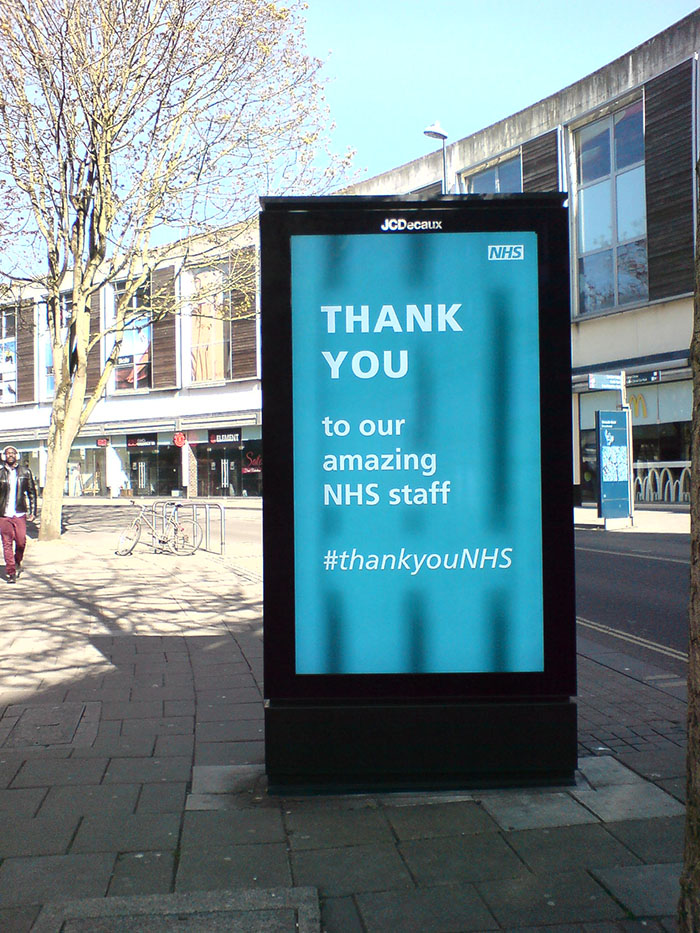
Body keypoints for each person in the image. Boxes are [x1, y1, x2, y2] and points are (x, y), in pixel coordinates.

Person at [0, 445, 37, 584]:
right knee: (7, 542)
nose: (10, 455)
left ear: (17, 456)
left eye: (13, 453)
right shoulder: (0, 473)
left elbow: (32, 493)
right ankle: (10, 572)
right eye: (8, 453)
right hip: (4, 514)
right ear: (4, 456)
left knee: (21, 541)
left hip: (19, 512)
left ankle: (17, 561)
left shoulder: (25, 472)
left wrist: (33, 511)